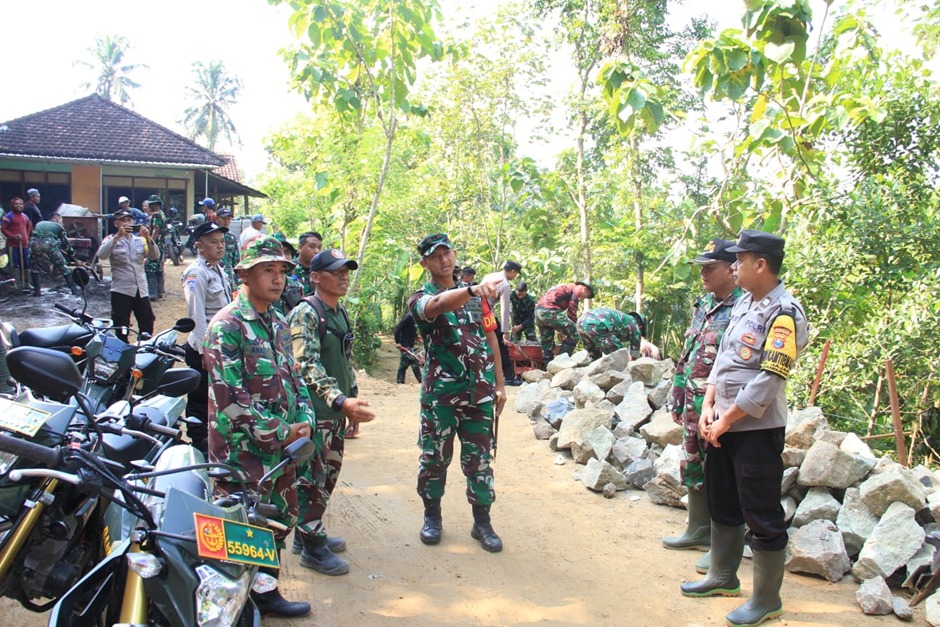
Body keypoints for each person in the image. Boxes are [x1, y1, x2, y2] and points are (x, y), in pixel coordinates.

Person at [680, 230, 809, 627]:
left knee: (761, 511)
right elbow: (723, 358)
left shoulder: (785, 312)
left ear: (761, 264)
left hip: (754, 429)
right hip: (721, 423)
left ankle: (766, 599)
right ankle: (722, 576)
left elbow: (769, 379)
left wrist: (727, 419)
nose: (734, 266)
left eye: (741, 259)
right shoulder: (744, 305)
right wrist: (709, 402)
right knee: (723, 500)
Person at [204, 235, 319, 618]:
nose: (277, 278)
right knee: (239, 527)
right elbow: (230, 400)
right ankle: (229, 601)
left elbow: (296, 377)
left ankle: (265, 592)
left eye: (281, 270)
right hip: (242, 452)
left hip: (280, 452)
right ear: (244, 275)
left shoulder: (278, 322)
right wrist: (280, 431)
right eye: (267, 270)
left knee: (275, 521)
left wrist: (304, 419)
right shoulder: (227, 327)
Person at [408, 233, 507, 553]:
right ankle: (432, 517)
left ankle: (482, 522)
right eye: (435, 256)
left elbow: (491, 339)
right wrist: (469, 290)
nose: (444, 260)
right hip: (441, 396)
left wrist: (500, 385)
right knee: (434, 459)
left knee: (480, 460)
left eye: (447, 253)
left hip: (478, 393)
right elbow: (436, 306)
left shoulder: (479, 299)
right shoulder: (421, 297)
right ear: (425, 263)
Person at [287, 248, 375, 575]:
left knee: (328, 476)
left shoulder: (339, 312)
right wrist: (339, 401)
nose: (343, 276)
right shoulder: (306, 313)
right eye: (335, 270)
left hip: (335, 412)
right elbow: (305, 363)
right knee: (312, 479)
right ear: (314, 276)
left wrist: (350, 400)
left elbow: (345, 361)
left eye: (346, 270)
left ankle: (306, 533)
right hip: (313, 413)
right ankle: (312, 547)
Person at [663, 239, 743, 575]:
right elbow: (688, 353)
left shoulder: (744, 307)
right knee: (692, 461)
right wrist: (678, 394)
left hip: (723, 407)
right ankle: (698, 530)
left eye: (710, 267)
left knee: (722, 475)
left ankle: (721, 546)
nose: (704, 273)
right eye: (702, 267)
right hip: (695, 402)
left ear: (731, 269)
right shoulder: (704, 303)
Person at [181, 221, 233, 452]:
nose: (220, 246)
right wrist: (204, 350)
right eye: (213, 242)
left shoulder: (219, 269)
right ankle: (199, 442)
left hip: (221, 345)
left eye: (222, 242)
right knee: (200, 398)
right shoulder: (196, 273)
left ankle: (217, 439)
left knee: (220, 394)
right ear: (200, 246)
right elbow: (197, 315)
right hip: (203, 346)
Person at [97, 209, 159, 342]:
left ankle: (144, 348)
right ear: (116, 224)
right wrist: (117, 237)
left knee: (147, 322)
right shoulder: (111, 239)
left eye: (129, 220)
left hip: (141, 289)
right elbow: (101, 255)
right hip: (122, 289)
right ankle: (123, 354)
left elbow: (155, 256)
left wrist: (148, 238)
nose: (126, 223)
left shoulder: (140, 240)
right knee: (121, 324)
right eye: (123, 221)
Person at [481, 260, 522, 385]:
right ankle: (509, 377)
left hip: (475, 311)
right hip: (486, 313)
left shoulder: (491, 276)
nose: (515, 277)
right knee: (501, 346)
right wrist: (505, 332)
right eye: (516, 274)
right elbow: (504, 308)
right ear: (513, 272)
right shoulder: (505, 284)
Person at [534, 281, 594, 363]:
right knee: (575, 333)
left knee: (547, 340)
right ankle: (561, 362)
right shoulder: (576, 290)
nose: (583, 298)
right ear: (585, 289)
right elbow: (572, 312)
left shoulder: (566, 286)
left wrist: (561, 329)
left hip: (538, 312)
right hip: (550, 312)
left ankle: (548, 365)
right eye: (586, 296)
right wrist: (572, 327)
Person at [29, 211, 81, 295]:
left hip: (34, 244)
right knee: (63, 267)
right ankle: (75, 291)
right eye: (61, 220)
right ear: (56, 219)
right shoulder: (58, 226)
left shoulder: (40, 223)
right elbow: (65, 243)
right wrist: (71, 254)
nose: (62, 222)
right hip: (48, 244)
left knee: (35, 267)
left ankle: (37, 292)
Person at [576, 307, 642, 361]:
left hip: (580, 323)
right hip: (596, 324)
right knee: (620, 355)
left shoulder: (623, 318)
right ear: (641, 326)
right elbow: (634, 356)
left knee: (595, 356)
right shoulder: (634, 325)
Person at [1, 197, 32, 290]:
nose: (19, 206)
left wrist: (27, 237)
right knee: (14, 264)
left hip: (24, 245)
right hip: (13, 245)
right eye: (16, 204)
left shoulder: (25, 216)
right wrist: (12, 236)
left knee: (26, 263)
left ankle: (26, 283)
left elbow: (28, 228)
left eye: (20, 204)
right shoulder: (8, 217)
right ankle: (14, 284)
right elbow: (3, 229)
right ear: (12, 205)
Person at [272, 233, 304, 315]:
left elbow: (302, 318)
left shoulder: (296, 286)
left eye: (286, 252)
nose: (283, 256)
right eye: (278, 251)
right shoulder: (258, 287)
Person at [144, 195, 167, 300]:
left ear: (153, 204)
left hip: (156, 244)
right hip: (161, 245)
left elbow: (156, 230)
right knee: (158, 267)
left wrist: (150, 243)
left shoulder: (156, 215)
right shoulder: (162, 214)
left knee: (150, 267)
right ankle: (160, 291)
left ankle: (153, 293)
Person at [394, 311, 423, 384]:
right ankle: (422, 382)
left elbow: (410, 329)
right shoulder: (408, 317)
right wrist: (398, 342)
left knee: (403, 365)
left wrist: (416, 336)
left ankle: (400, 382)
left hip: (410, 344)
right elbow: (398, 328)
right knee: (414, 362)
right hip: (404, 344)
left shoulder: (415, 317)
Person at [215, 207, 240, 286]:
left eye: (228, 219)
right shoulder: (210, 237)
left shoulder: (231, 238)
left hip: (229, 278)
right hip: (214, 277)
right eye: (223, 218)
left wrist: (238, 280)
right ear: (217, 219)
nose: (226, 221)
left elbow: (236, 262)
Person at [294, 231, 323, 296]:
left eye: (319, 248)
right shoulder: (288, 268)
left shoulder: (321, 271)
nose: (317, 251)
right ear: (300, 248)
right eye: (312, 247)